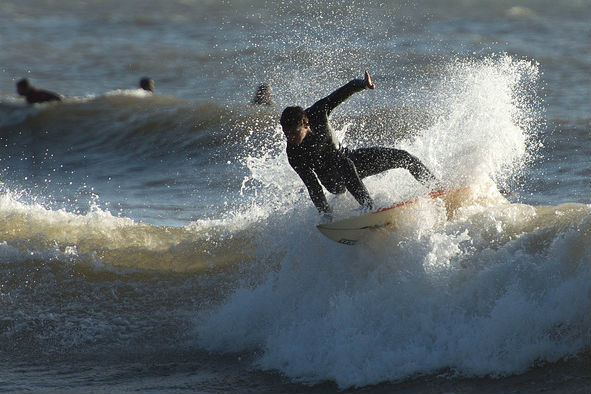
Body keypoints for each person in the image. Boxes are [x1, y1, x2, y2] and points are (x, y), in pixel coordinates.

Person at [280, 70, 437, 219]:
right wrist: (327, 218)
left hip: (348, 160)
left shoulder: (317, 112)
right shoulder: (294, 154)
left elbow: (341, 93)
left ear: (306, 124)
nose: (290, 138)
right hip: (331, 180)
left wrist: (362, 84)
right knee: (343, 163)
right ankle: (369, 208)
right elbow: (313, 187)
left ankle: (437, 188)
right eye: (287, 134)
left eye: (294, 133)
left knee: (404, 157)